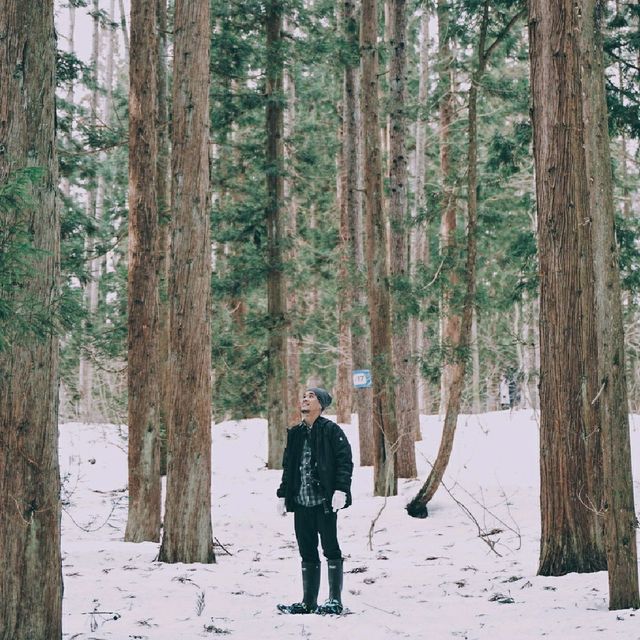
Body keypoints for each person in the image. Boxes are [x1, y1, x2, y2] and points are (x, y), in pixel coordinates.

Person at [276, 387, 353, 615]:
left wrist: (341, 490)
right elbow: (289, 467)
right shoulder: (295, 433)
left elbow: (344, 462)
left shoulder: (332, 430)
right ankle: (308, 602)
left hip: (324, 502)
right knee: (307, 550)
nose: (305, 399)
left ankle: (334, 601)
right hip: (301, 502)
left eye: (311, 397)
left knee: (330, 548)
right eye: (304, 396)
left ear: (321, 404)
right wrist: (282, 494)